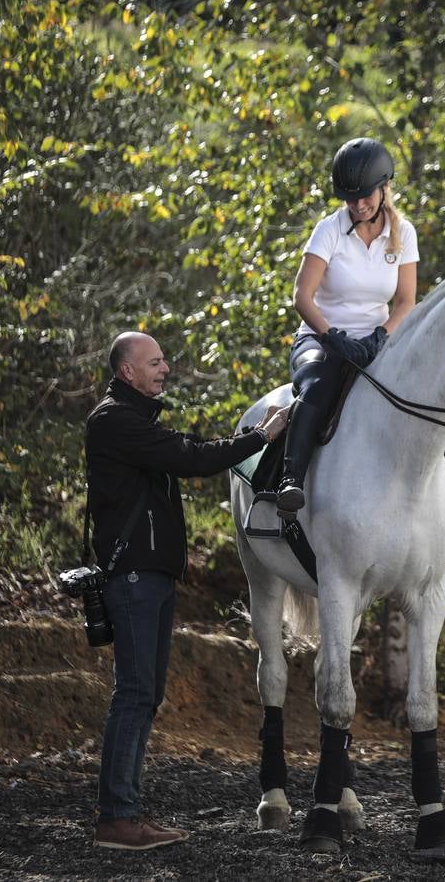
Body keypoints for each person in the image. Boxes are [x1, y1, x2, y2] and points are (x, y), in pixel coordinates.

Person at [86, 331, 287, 850]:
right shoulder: (115, 421)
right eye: (154, 362)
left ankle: (125, 812)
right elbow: (193, 457)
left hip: (149, 574)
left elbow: (186, 452)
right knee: (133, 693)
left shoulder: (135, 421)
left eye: (164, 360)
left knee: (144, 694)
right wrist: (260, 437)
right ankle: (117, 820)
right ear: (127, 372)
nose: (165, 368)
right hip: (132, 575)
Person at [274, 136, 445, 513]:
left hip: (378, 339)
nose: (359, 205)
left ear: (385, 188)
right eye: (350, 199)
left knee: (424, 387)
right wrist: (332, 338)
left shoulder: (405, 234)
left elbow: (404, 302)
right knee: (317, 388)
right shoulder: (329, 230)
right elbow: (302, 296)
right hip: (321, 338)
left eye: (366, 195)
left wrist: (380, 337)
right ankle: (291, 479)